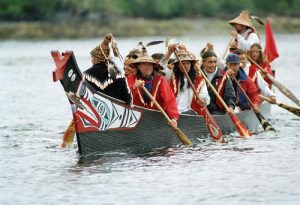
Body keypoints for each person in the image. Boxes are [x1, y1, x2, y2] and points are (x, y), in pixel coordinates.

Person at [126, 44, 179, 128]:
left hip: (156, 121)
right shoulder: (131, 78)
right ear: (138, 66)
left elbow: (170, 100)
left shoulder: (160, 80)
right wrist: (134, 87)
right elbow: (124, 98)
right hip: (136, 120)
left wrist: (174, 118)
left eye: (150, 64)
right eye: (145, 64)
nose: (148, 67)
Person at [83, 33, 132, 105]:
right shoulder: (118, 74)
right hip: (117, 113)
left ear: (96, 60)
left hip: (96, 111)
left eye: (92, 58)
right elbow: (128, 99)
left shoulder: (85, 75)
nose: (91, 61)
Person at [168, 48, 210, 115]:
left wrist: (203, 100)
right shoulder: (171, 76)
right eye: (183, 63)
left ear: (191, 65)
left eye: (188, 63)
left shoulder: (199, 80)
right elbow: (161, 67)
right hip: (174, 109)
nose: (186, 66)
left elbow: (204, 94)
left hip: (191, 110)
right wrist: (169, 53)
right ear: (178, 65)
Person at [201, 50, 236, 114]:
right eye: (210, 62)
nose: (213, 65)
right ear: (203, 62)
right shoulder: (198, 75)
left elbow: (230, 95)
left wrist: (230, 106)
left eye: (215, 62)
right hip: (201, 108)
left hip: (217, 110)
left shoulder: (224, 76)